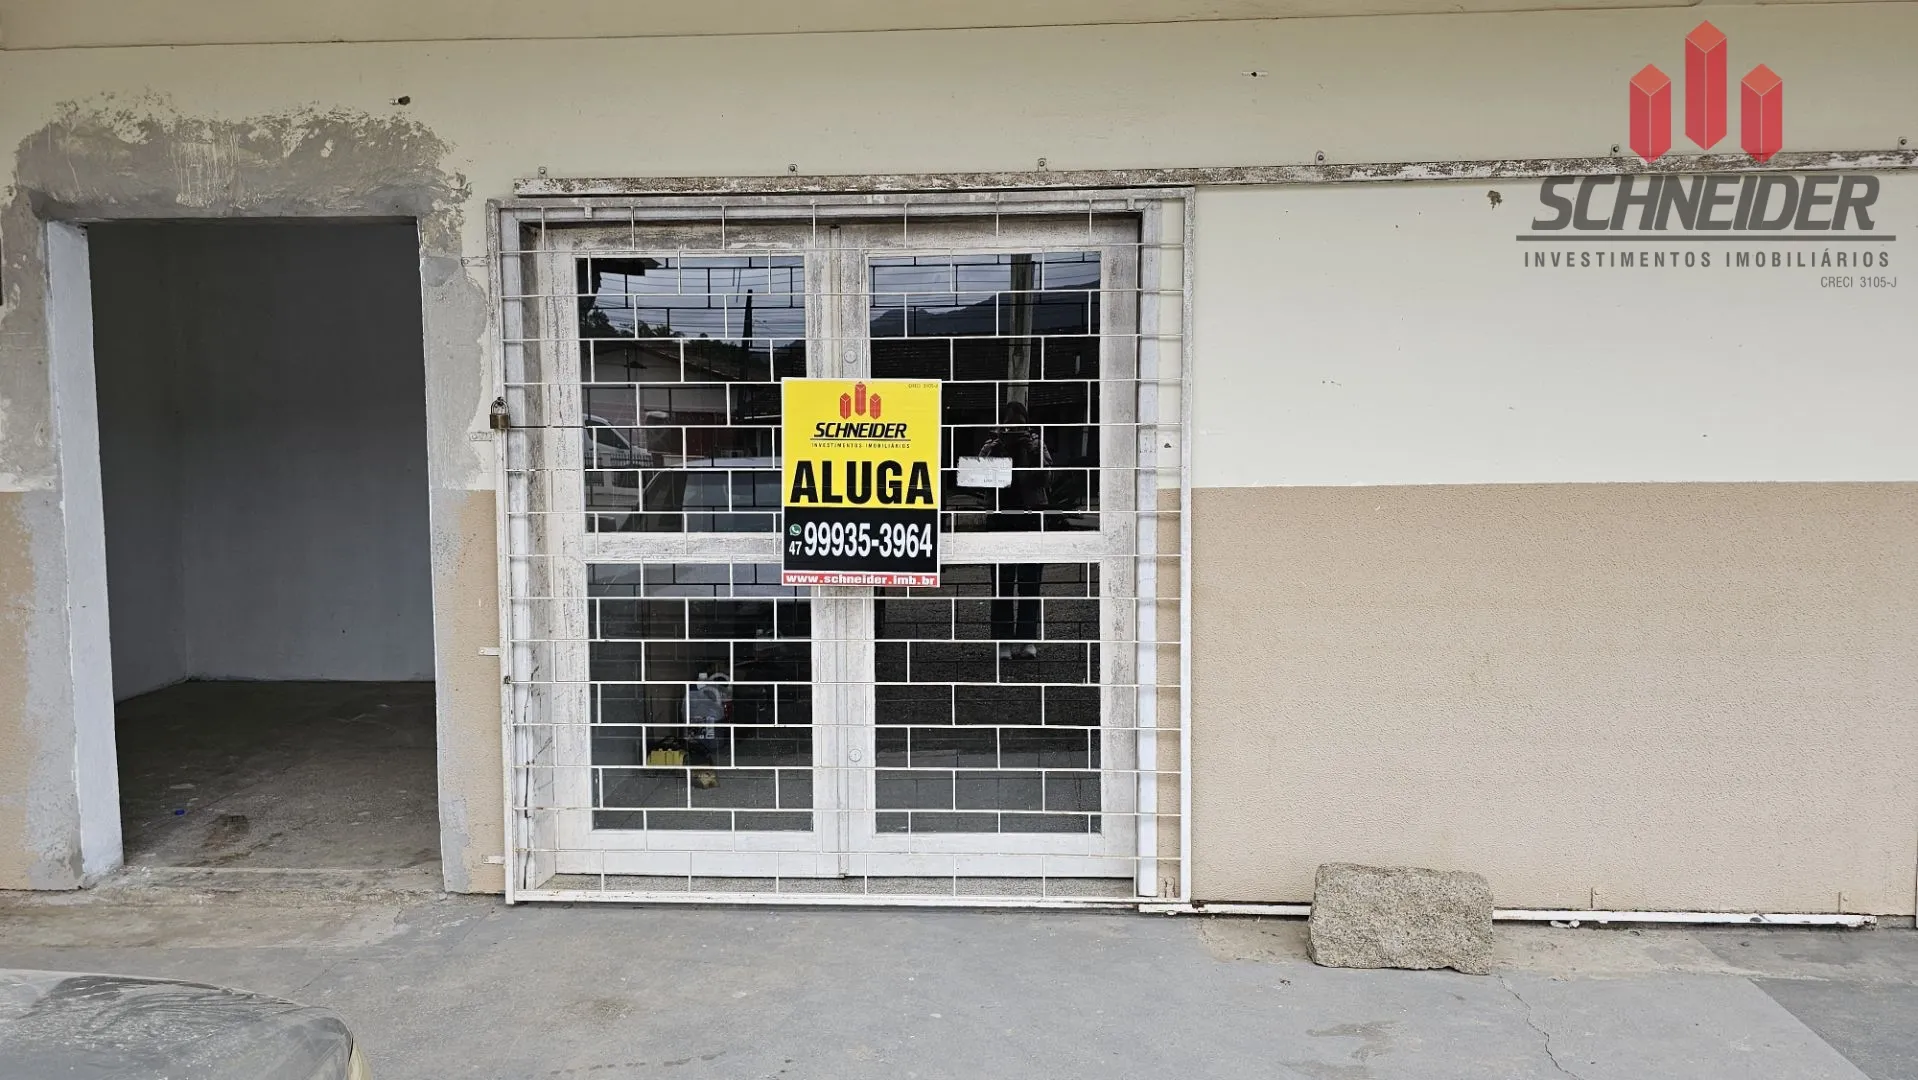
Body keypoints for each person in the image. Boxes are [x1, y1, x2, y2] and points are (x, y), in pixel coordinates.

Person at [979, 400, 1048, 660]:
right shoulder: (992, 445)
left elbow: (1047, 478)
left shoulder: (1036, 445)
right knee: (1002, 584)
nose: (1015, 432)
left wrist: (1034, 451)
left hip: (1029, 516)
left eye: (1020, 427)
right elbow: (975, 475)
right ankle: (1004, 642)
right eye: (1010, 427)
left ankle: (1027, 640)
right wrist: (995, 445)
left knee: (1031, 583)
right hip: (1001, 517)